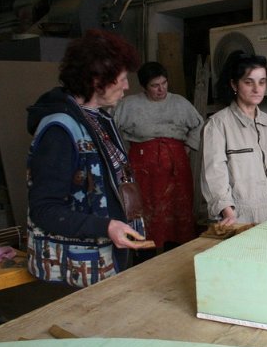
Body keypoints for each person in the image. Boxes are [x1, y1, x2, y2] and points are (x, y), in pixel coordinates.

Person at [26, 28, 154, 288]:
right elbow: (44, 209)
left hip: (108, 257)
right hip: (78, 270)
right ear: (97, 80)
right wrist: (106, 227)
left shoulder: (99, 118)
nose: (127, 86)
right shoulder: (59, 130)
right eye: (122, 79)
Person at [114, 62, 204, 254]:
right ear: (144, 87)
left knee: (178, 212)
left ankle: (176, 254)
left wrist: (189, 146)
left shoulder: (180, 103)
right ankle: (143, 255)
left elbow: (199, 124)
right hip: (143, 166)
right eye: (155, 85)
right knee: (144, 211)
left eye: (164, 83)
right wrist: (123, 153)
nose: (161, 89)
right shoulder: (129, 105)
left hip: (176, 164)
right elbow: (111, 128)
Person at [200, 51, 267, 226]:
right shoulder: (218, 124)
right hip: (240, 218)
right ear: (234, 84)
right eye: (248, 82)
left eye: (262, 82)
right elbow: (214, 174)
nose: (257, 89)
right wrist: (228, 212)